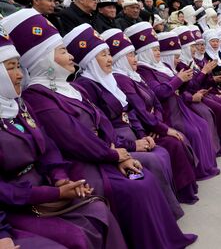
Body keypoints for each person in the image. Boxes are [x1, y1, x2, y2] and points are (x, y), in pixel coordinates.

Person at [3, 9, 198, 249]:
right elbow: (75, 140)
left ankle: (161, 240)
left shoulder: (66, 90)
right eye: (63, 51)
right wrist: (114, 155)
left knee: (142, 177)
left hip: (101, 157)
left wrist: (119, 154)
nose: (71, 57)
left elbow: (102, 123)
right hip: (84, 163)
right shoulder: (38, 97)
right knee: (135, 186)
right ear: (44, 59)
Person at [0, 33, 127, 249]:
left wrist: (59, 178)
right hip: (15, 204)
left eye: (18, 66)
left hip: (43, 187)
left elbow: (47, 145)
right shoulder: (34, 98)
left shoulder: (17, 106)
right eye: (10, 67)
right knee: (75, 237)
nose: (20, 74)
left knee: (97, 210)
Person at [65, 24, 184, 219]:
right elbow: (103, 126)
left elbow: (130, 111)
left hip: (129, 136)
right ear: (91, 61)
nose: (110, 59)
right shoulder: (86, 85)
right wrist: (131, 145)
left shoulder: (108, 80)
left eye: (109, 54)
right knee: (153, 160)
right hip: (116, 144)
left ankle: (166, 212)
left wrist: (141, 135)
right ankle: (160, 216)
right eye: (103, 55)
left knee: (161, 152)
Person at [104, 28, 199, 203]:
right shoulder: (122, 79)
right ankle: (176, 195)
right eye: (131, 55)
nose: (136, 59)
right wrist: (156, 129)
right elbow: (138, 109)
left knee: (178, 139)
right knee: (173, 143)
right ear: (120, 59)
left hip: (152, 125)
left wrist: (159, 125)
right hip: (139, 132)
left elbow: (154, 101)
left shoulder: (134, 75)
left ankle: (182, 191)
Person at [127, 22, 221, 180]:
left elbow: (181, 89)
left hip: (178, 107)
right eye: (154, 50)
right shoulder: (144, 70)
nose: (158, 53)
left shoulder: (162, 66)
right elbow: (159, 93)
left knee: (202, 125)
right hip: (169, 113)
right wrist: (180, 80)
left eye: (158, 49)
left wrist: (187, 80)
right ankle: (196, 171)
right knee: (192, 131)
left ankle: (205, 166)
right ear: (144, 52)